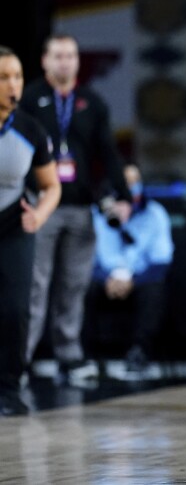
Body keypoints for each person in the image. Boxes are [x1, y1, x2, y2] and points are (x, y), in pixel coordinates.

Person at [20, 34, 133, 386]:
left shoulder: (91, 102)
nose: (65, 62)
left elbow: (108, 153)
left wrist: (124, 195)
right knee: (35, 287)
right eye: (58, 56)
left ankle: (69, 356)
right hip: (42, 206)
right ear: (45, 60)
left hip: (82, 207)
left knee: (73, 285)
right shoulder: (30, 99)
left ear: (77, 62)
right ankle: (19, 360)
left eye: (70, 56)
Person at [0, 46, 61, 416]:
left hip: (13, 225)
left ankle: (8, 389)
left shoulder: (30, 129)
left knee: (16, 310)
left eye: (18, 77)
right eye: (4, 77)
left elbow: (51, 185)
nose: (13, 85)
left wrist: (38, 216)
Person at [86, 163, 174, 379]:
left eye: (134, 182)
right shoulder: (96, 213)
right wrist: (106, 278)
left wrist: (132, 281)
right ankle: (84, 356)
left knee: (155, 289)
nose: (130, 187)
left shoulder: (154, 213)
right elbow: (84, 257)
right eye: (125, 182)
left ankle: (139, 352)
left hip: (139, 278)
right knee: (79, 286)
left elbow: (161, 261)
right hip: (103, 278)